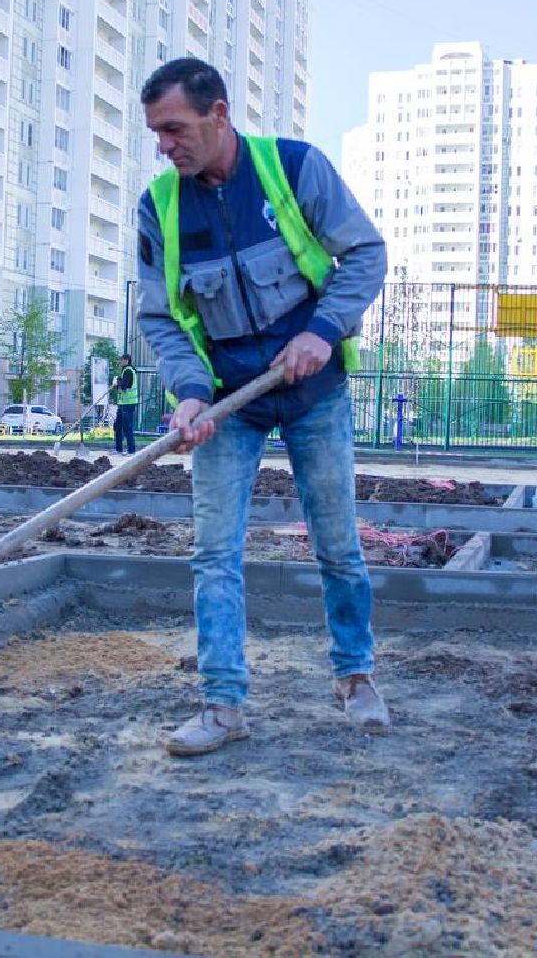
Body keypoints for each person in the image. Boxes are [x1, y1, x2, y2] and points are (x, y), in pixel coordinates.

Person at [136, 57, 390, 756]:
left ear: (218, 113)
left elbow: (365, 254)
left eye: (175, 129)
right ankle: (222, 705)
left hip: (312, 392)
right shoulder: (160, 206)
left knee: (336, 543)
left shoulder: (293, 168)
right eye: (156, 133)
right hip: (228, 402)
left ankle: (356, 676)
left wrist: (323, 330)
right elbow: (160, 316)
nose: (165, 146)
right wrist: (191, 392)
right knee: (213, 553)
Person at [112, 352, 139, 455]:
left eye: (122, 360)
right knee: (118, 426)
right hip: (122, 403)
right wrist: (118, 383)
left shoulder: (129, 370)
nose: (120, 361)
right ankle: (118, 449)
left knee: (127, 427)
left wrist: (118, 382)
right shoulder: (124, 370)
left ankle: (131, 450)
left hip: (129, 404)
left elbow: (124, 386)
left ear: (127, 360)